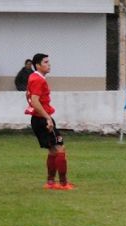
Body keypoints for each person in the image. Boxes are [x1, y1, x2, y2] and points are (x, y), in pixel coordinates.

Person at [25, 53, 74, 190]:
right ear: (38, 65)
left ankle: (51, 182)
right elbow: (34, 100)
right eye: (45, 62)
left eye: (48, 62)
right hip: (42, 119)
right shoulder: (38, 80)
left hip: (38, 118)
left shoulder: (33, 77)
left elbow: (28, 96)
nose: (49, 64)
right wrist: (47, 118)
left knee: (53, 150)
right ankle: (63, 183)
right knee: (60, 148)